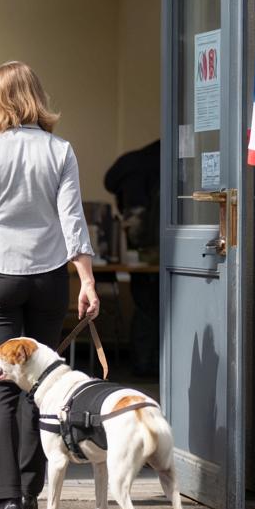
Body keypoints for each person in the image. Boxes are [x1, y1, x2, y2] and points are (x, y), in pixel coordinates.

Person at [0, 61, 99, 509]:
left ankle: (7, 498)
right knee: (40, 390)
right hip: (47, 279)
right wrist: (87, 281)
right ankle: (34, 491)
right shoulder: (60, 149)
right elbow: (72, 219)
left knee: (0, 392)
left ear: (1, 99)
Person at [104, 139, 161, 377]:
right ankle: (147, 364)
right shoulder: (158, 163)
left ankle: (143, 363)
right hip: (154, 247)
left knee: (144, 305)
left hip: (143, 248)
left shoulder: (130, 165)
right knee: (151, 308)